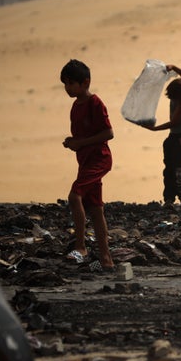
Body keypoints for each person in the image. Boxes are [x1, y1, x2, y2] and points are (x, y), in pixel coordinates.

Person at [60, 59, 115, 271]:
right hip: (84, 161)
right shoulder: (75, 106)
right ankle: (106, 259)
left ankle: (81, 246)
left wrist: (80, 143)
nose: (67, 88)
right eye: (65, 84)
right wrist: (73, 143)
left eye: (71, 83)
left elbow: (108, 133)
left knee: (75, 196)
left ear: (85, 83)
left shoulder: (95, 103)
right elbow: (83, 135)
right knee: (96, 209)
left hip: (99, 158)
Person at [140, 64, 181, 209]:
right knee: (169, 167)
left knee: (178, 168)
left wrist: (153, 129)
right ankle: (169, 199)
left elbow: (174, 122)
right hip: (175, 136)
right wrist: (175, 67)